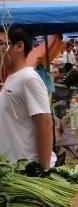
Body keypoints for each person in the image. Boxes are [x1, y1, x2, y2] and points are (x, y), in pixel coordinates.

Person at [0, 25, 55, 169]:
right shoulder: (12, 77)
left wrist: (43, 170)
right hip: (13, 170)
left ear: (19, 46)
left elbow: (45, 123)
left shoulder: (28, 78)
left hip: (28, 169)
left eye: (1, 44)